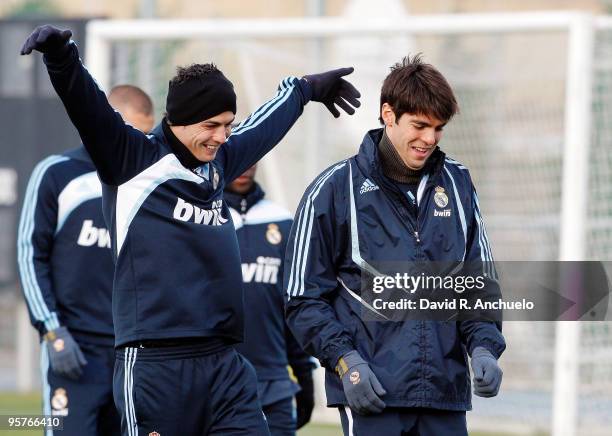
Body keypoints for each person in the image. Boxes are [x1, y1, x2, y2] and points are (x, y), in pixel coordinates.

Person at [21, 24, 360, 436]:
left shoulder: (218, 161)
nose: (222, 136)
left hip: (225, 366)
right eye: (212, 125)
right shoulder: (131, 159)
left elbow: (264, 126)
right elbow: (87, 106)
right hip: (155, 369)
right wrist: (61, 56)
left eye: (228, 125)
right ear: (180, 120)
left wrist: (304, 89)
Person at [284, 55, 506, 436]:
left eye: (438, 128)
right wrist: (345, 361)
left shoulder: (458, 183)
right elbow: (303, 298)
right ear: (388, 114)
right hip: (371, 394)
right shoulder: (334, 189)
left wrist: (484, 347)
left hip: (444, 393)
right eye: (419, 125)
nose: (430, 139)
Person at [17, 84, 154, 436]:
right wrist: (52, 329)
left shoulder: (153, 182)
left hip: (136, 353)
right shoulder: (56, 173)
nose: (142, 144)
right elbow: (30, 254)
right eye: (135, 133)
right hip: (76, 349)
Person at [225, 164, 316, 436]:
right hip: (216, 381)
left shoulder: (284, 221)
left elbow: (295, 306)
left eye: (252, 158)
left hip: (274, 383)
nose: (244, 166)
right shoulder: (202, 217)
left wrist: (304, 375)